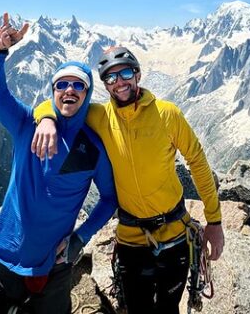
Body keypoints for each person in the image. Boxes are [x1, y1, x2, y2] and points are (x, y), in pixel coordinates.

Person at [32, 46, 225, 314]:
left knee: (168, 308)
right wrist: (46, 119)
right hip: (131, 238)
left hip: (175, 234)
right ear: (105, 85)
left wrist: (214, 221)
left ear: (137, 75)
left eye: (124, 73)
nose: (119, 82)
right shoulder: (100, 117)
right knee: (138, 309)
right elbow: (60, 102)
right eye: (110, 78)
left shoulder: (167, 114)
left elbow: (198, 163)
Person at [0, 13, 117, 314]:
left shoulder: (93, 148)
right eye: (61, 85)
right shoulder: (27, 125)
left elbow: (110, 198)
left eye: (78, 85)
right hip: (3, 258)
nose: (69, 90)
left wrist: (81, 237)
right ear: (53, 92)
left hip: (54, 267)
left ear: (87, 95)